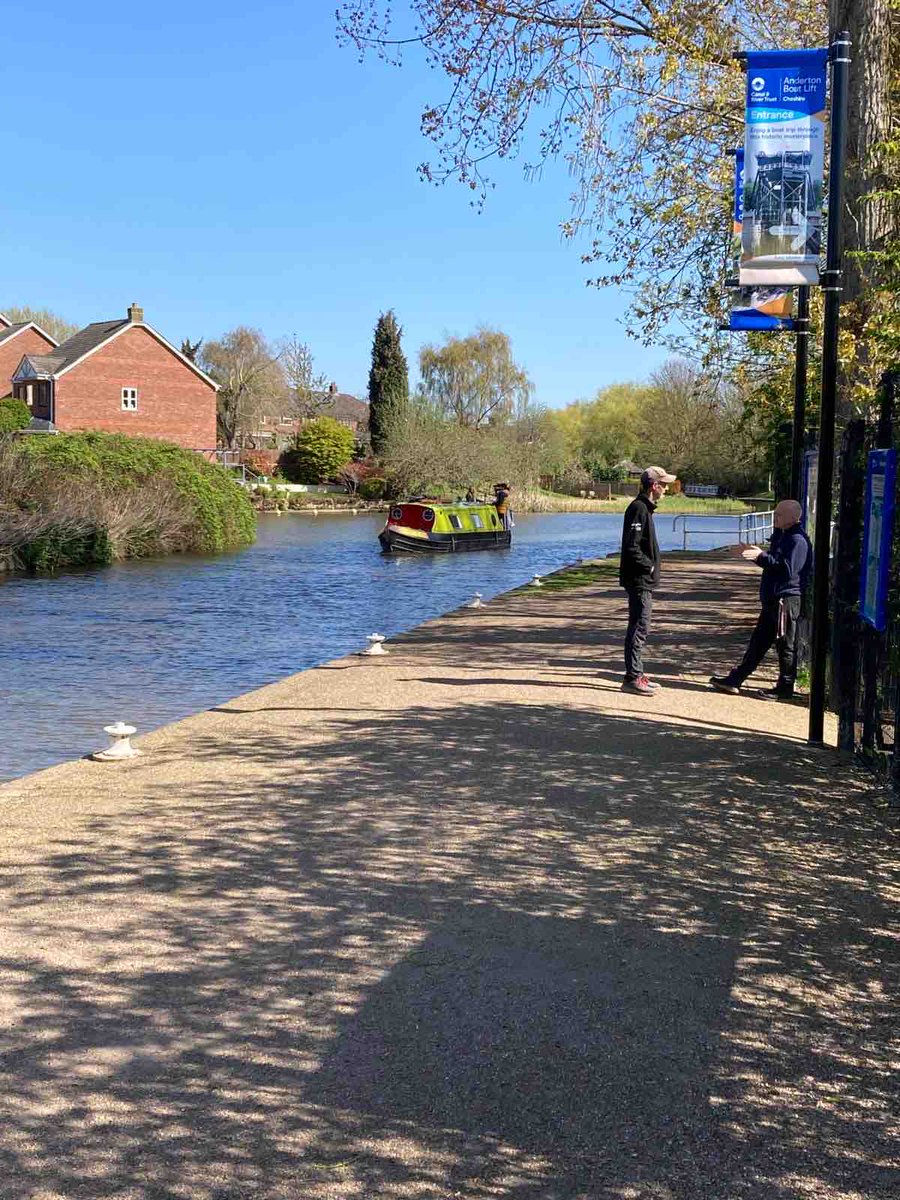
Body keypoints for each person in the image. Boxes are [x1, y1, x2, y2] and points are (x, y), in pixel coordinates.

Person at [710, 498, 812, 701]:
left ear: (793, 517)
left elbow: (787, 570)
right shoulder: (783, 536)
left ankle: (785, 687)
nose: (776, 517)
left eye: (780, 514)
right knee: (758, 642)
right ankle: (736, 679)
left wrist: (760, 556)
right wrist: (755, 555)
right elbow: (773, 565)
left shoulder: (797, 540)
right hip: (774, 599)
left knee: (785, 644)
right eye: (776, 513)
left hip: (786, 600)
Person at [619, 466, 677, 695]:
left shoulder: (645, 509)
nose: (665, 489)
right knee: (639, 626)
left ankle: (636, 673)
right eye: (663, 485)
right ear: (654, 486)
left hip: (643, 579)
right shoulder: (638, 509)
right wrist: (649, 565)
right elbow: (631, 546)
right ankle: (633, 677)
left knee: (640, 625)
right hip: (639, 579)